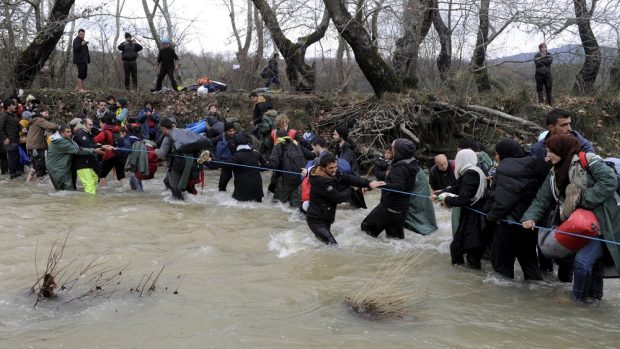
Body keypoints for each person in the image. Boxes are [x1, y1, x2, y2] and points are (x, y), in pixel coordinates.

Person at [522, 134, 620, 303]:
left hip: (603, 223)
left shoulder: (588, 160)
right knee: (589, 264)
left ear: (562, 150)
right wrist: (530, 218)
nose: (547, 156)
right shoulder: (553, 173)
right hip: (576, 223)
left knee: (582, 263)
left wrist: (581, 199)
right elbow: (541, 199)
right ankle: (592, 301)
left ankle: (576, 302)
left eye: (550, 151)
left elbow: (610, 182)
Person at [485, 139, 546, 280]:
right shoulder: (534, 162)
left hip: (508, 224)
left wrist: (491, 216)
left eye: (497, 153)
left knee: (502, 267)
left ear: (504, 153)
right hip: (529, 222)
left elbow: (504, 200)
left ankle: (504, 299)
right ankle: (537, 294)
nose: (495, 156)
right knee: (529, 262)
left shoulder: (506, 167)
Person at [307, 152, 383, 244]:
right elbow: (339, 198)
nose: (334, 170)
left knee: (322, 244)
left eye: (335, 166)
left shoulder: (332, 173)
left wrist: (368, 183)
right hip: (316, 220)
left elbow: (348, 178)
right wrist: (352, 189)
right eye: (331, 168)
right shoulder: (320, 182)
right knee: (333, 246)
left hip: (326, 217)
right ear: (322, 168)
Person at [434, 149, 488, 269]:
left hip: (474, 217)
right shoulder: (473, 171)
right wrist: (441, 193)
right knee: (463, 249)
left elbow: (464, 199)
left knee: (463, 250)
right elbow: (456, 188)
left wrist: (446, 200)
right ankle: (466, 279)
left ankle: (466, 280)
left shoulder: (470, 174)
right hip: (474, 215)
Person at [361, 139, 419, 240]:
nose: (391, 150)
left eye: (393, 148)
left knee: (366, 228)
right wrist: (373, 185)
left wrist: (378, 185)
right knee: (394, 240)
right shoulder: (410, 163)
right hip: (401, 210)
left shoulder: (399, 167)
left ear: (399, 151)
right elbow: (392, 181)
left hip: (390, 208)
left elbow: (398, 187)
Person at [157, 117, 211, 200]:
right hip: (193, 163)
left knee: (175, 189)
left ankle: (180, 206)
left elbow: (162, 154)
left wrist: (155, 151)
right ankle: (190, 204)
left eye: (160, 128)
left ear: (163, 128)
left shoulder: (167, 138)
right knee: (174, 183)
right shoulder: (183, 132)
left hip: (178, 166)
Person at [46, 126, 107, 191]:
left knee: (62, 190)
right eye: (67, 132)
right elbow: (77, 150)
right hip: (58, 169)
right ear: (61, 133)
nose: (70, 133)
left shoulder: (61, 138)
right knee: (67, 190)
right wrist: (94, 150)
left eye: (70, 131)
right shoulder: (60, 141)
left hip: (58, 167)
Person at [270, 129, 305, 205]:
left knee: (277, 204)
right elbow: (309, 155)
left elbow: (273, 164)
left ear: (277, 137)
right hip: (299, 177)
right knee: (294, 204)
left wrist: (263, 165)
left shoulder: (278, 146)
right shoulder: (296, 143)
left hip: (285, 178)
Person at [229, 133, 268, 202]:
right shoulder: (256, 153)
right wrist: (258, 168)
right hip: (257, 189)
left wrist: (211, 160)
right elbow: (265, 166)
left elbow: (226, 165)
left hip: (242, 190)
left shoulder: (236, 156)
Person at [26, 106, 58, 183]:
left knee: (35, 165)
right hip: (36, 146)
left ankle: (27, 183)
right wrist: (60, 127)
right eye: (46, 112)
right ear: (40, 113)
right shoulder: (39, 120)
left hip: (33, 146)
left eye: (48, 113)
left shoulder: (34, 120)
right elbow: (50, 126)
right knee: (40, 166)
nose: (47, 114)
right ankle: (40, 186)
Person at [72, 118, 100, 194]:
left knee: (95, 178)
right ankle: (90, 202)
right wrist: (101, 146)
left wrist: (100, 146)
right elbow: (87, 146)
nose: (92, 126)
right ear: (84, 125)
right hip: (81, 163)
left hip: (87, 162)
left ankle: (90, 197)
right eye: (90, 125)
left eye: (92, 125)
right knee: (89, 184)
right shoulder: (80, 133)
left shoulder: (87, 132)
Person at [0, 99, 22, 179]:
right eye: (13, 105)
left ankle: (17, 176)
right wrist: (5, 138)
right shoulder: (3, 115)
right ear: (8, 106)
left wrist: (22, 128)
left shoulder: (14, 115)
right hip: (9, 140)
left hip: (16, 140)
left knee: (16, 158)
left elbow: (18, 124)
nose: (15, 106)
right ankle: (12, 176)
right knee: (12, 159)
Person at [212, 122, 236, 192]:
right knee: (221, 186)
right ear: (226, 131)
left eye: (233, 130)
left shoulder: (238, 137)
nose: (232, 133)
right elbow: (211, 141)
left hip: (236, 163)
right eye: (230, 131)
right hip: (226, 164)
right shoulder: (221, 137)